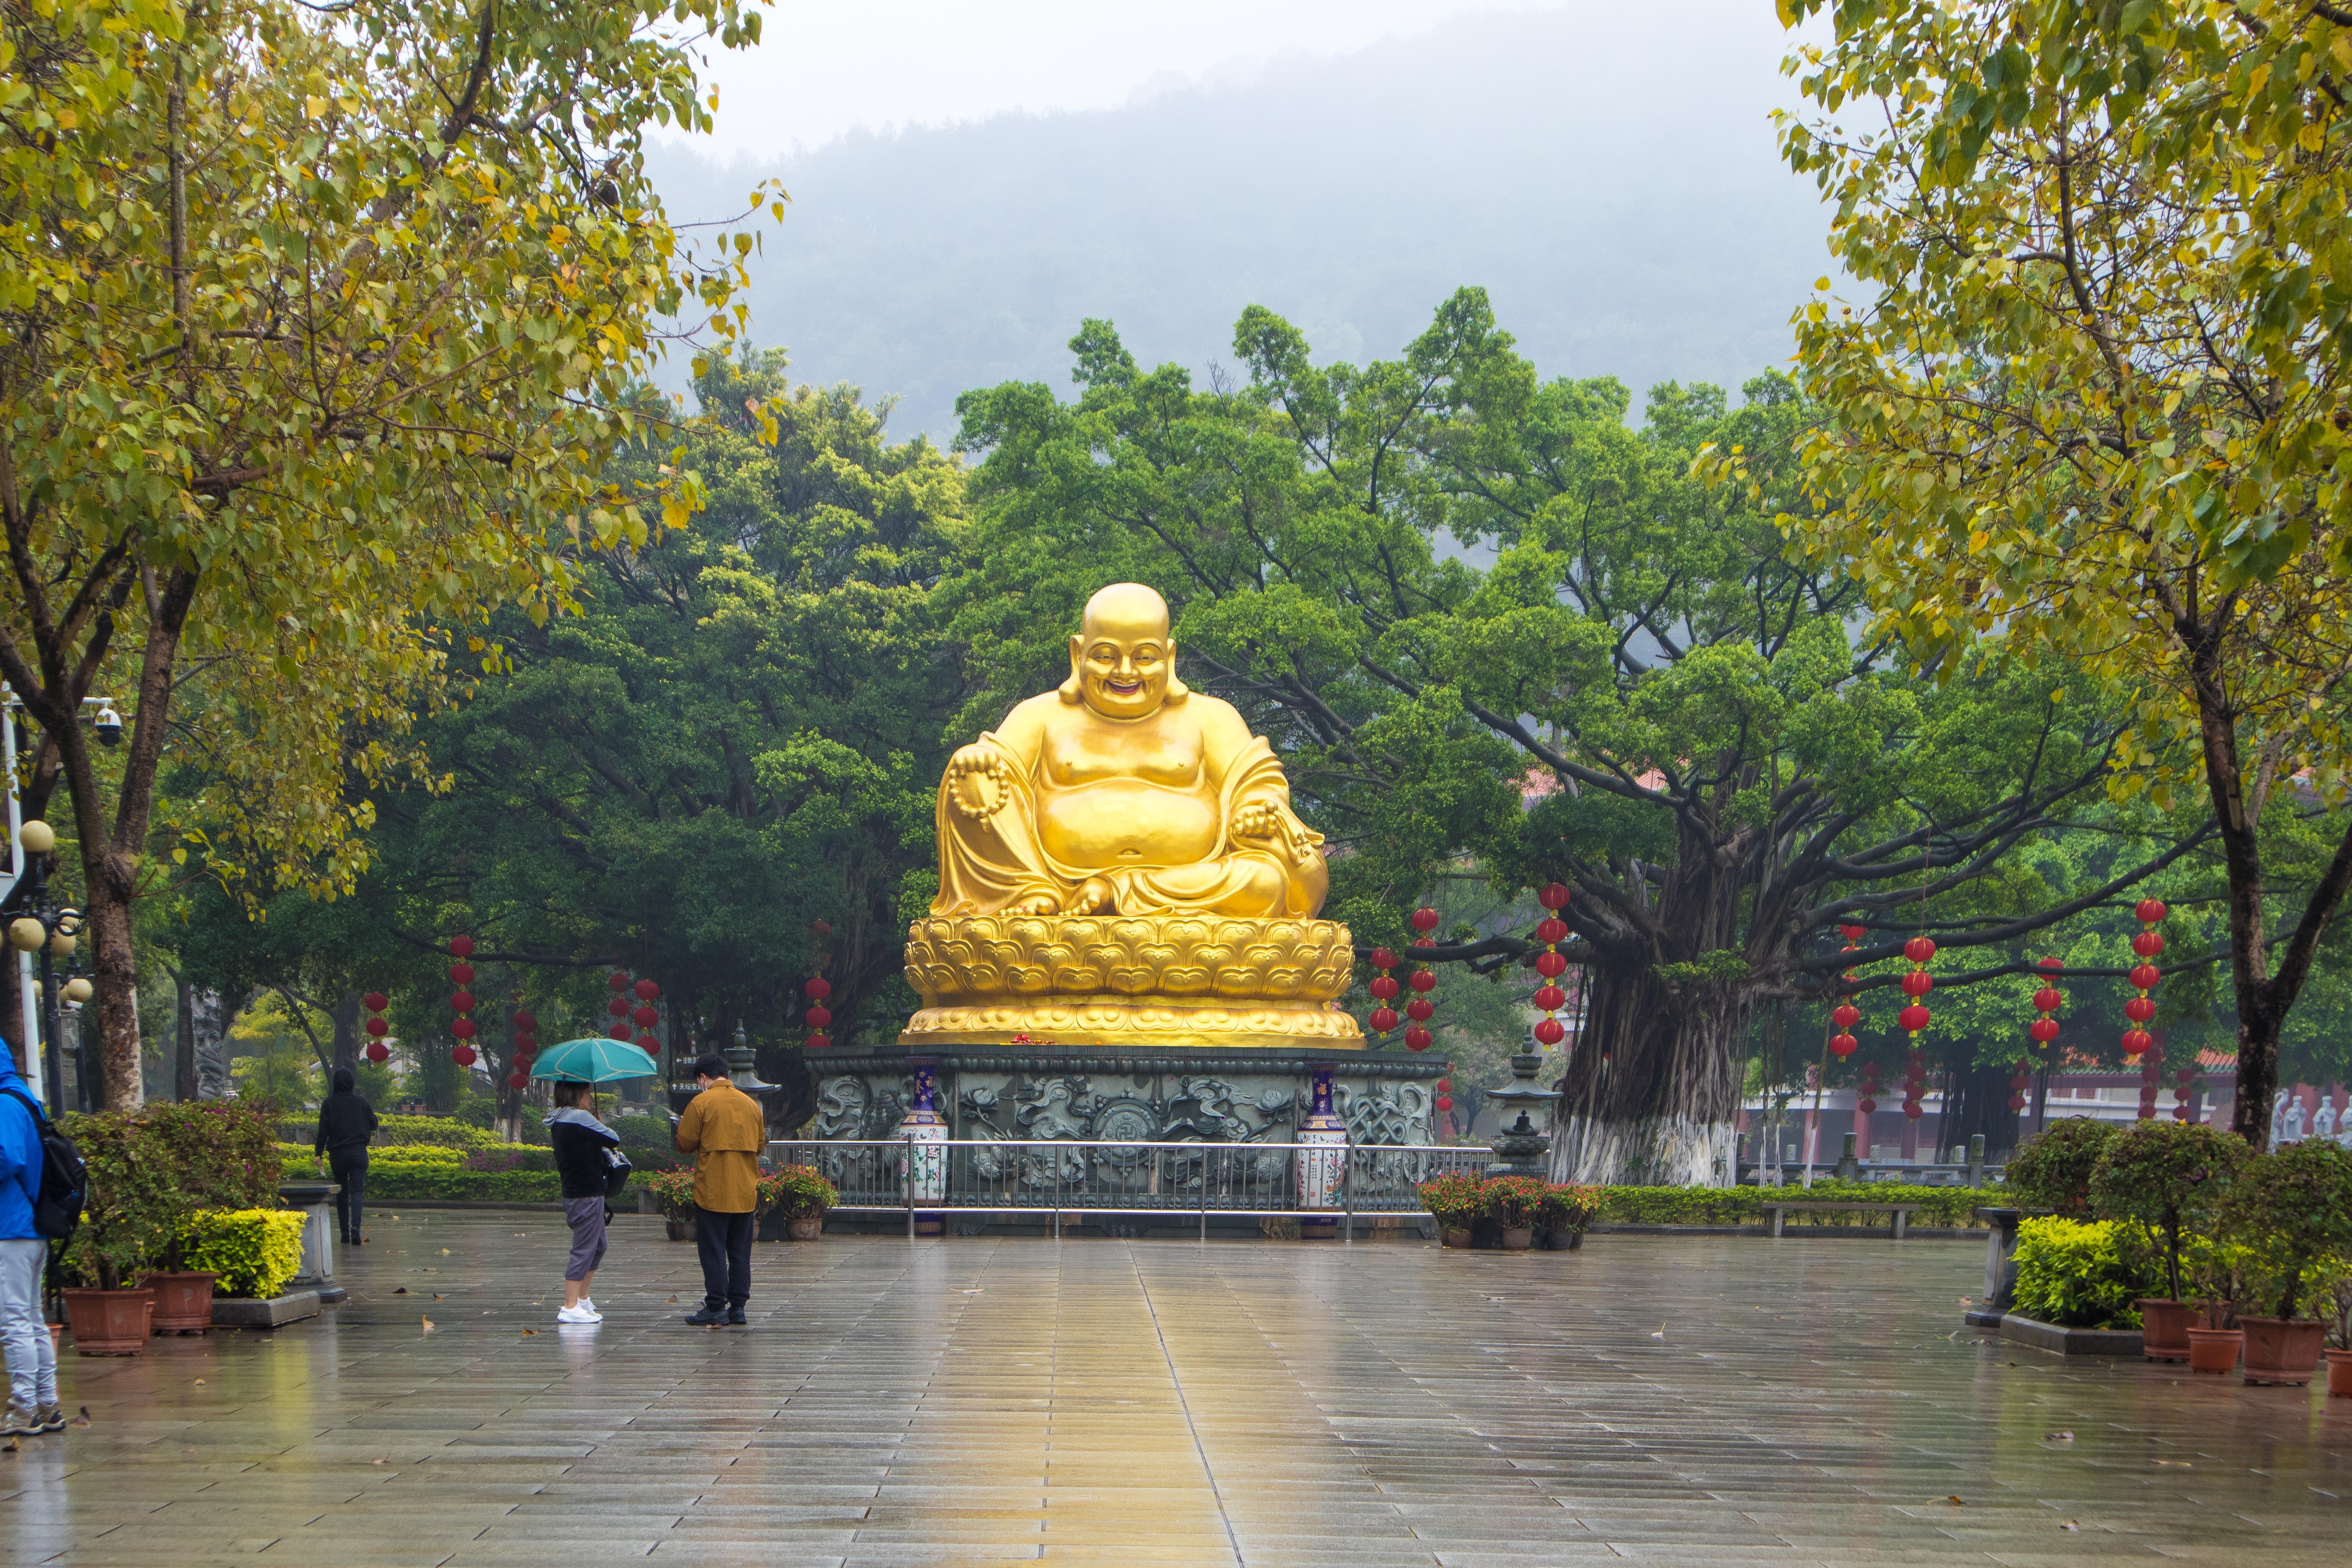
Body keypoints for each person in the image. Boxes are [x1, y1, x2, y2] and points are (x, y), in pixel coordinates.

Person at [673, 1053, 764, 1326]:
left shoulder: (701, 1102)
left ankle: (715, 1306)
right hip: (745, 1191)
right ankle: (738, 1308)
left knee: (713, 1250)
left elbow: (685, 1143)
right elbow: (760, 1145)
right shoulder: (751, 1105)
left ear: (703, 1078)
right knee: (740, 1252)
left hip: (712, 1190)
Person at [0, 1055, 61, 1437]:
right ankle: (47, 1402)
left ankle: (24, 1409)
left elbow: (7, 1157)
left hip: (13, 1226)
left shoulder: (5, 1102)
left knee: (15, 1321)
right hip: (32, 1226)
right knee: (33, 1319)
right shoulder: (24, 1096)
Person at [546, 1081, 623, 1325]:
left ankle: (582, 1299)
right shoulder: (580, 1117)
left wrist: (593, 1126)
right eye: (588, 1093)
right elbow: (613, 1138)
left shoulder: (560, 1118)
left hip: (577, 1191)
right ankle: (569, 1306)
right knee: (584, 1248)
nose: (590, 1098)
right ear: (577, 1095)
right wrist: (597, 1123)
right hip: (586, 1193)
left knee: (599, 1245)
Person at [314, 1066, 380, 1245]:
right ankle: (356, 1228)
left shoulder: (329, 1103)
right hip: (359, 1152)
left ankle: (344, 1232)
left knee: (342, 1191)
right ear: (352, 1084)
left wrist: (318, 1153)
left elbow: (323, 1131)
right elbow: (374, 1123)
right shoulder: (361, 1102)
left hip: (338, 1154)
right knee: (357, 1190)